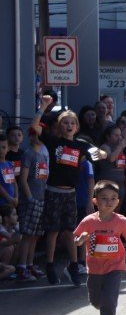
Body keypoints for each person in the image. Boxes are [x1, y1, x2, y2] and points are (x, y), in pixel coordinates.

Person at [30, 95, 102, 286]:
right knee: (53, 231)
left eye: (72, 123)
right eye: (65, 123)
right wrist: (43, 106)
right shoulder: (54, 142)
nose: (69, 125)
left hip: (71, 193)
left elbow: (100, 154)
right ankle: (50, 264)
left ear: (77, 127)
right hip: (53, 191)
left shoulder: (81, 145)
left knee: (70, 231)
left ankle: (73, 265)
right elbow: (35, 128)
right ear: (60, 126)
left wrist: (98, 152)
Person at [73, 181, 126, 315]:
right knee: (95, 300)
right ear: (95, 201)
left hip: (115, 266)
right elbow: (76, 238)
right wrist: (80, 240)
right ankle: (106, 309)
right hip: (94, 268)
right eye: (104, 198)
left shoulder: (121, 221)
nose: (109, 202)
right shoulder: (89, 221)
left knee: (109, 298)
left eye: (113, 198)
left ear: (118, 201)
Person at [17, 128, 48, 281]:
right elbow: (23, 179)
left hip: (42, 197)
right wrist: (29, 197)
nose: (39, 136)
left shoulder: (45, 152)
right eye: (35, 134)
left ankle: (30, 264)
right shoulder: (28, 153)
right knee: (27, 234)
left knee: (36, 235)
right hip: (32, 199)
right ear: (30, 136)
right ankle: (22, 267)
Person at [96, 125, 126, 210]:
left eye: (120, 135)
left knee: (117, 210)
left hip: (120, 184)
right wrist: (120, 146)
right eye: (116, 135)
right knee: (107, 210)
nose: (119, 138)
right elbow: (111, 158)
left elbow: (119, 164)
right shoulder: (104, 146)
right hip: (108, 184)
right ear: (108, 136)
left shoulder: (119, 147)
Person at [0, 133, 18, 209]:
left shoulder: (9, 164)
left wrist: (16, 197)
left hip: (11, 204)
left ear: (8, 148)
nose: (1, 150)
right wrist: (8, 198)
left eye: (3, 147)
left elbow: (14, 182)